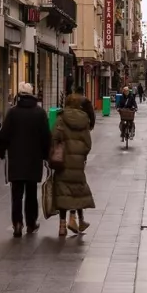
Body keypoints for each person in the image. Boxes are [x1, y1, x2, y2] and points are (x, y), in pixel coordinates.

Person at [0, 81, 52, 236]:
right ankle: (31, 223)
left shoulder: (12, 112)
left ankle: (17, 223)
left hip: (16, 160)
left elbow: (4, 135)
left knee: (16, 195)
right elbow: (46, 137)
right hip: (34, 161)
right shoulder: (40, 113)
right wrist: (46, 156)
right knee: (31, 194)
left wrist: (2, 151)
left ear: (19, 95)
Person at [51, 93, 96, 237]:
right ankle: (74, 218)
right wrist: (80, 154)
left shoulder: (60, 118)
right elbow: (88, 144)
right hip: (77, 163)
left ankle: (62, 226)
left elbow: (54, 138)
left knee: (63, 192)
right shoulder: (84, 121)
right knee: (77, 190)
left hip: (62, 161)